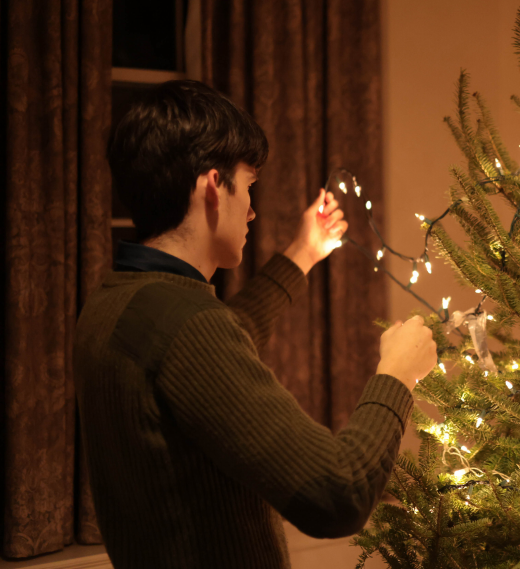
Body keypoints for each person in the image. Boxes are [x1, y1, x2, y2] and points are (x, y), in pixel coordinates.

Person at [74, 79, 438, 569]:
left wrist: (302, 254)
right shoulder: (188, 327)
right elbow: (339, 494)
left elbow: (219, 341)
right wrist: (397, 374)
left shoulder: (115, 303)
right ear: (211, 186)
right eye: (247, 186)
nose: (252, 209)